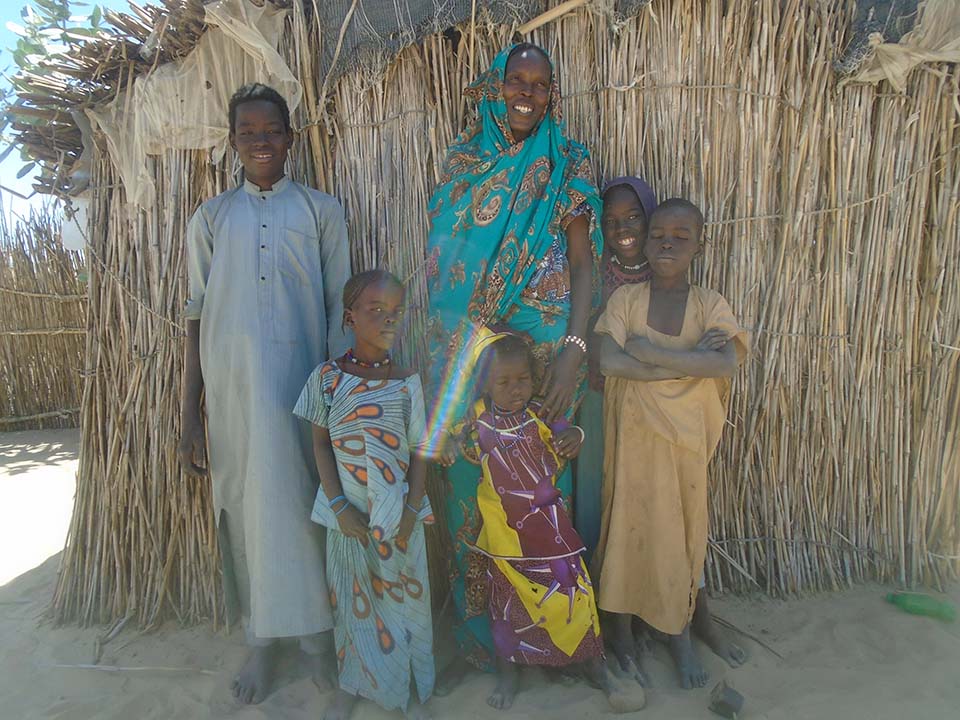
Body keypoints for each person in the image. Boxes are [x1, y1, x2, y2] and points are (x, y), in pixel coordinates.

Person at [424, 42, 603, 688]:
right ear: (495, 89)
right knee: (474, 499)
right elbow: (447, 265)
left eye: (539, 83)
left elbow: (584, 266)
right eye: (515, 81)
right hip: (474, 366)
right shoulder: (465, 161)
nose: (526, 92)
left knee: (542, 507)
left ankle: (557, 640)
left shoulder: (567, 161)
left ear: (552, 94)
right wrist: (474, 344)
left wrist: (573, 351)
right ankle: (486, 643)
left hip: (548, 368)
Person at [178, 83, 350, 704]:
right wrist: (189, 415)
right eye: (247, 131)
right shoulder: (212, 218)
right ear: (232, 142)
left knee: (306, 507)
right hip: (232, 394)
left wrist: (338, 397)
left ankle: (316, 641)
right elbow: (195, 316)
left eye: (270, 129)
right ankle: (261, 639)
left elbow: (338, 310)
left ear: (290, 138)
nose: (259, 140)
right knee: (247, 510)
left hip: (304, 391)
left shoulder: (322, 212)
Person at [441, 332, 645, 713]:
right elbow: (450, 438)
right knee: (506, 608)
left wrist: (574, 436)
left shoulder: (539, 412)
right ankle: (508, 675)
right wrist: (451, 446)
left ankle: (596, 668)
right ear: (485, 383)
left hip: (551, 532)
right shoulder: (478, 415)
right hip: (505, 538)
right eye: (503, 382)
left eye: (522, 380)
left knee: (576, 597)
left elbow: (570, 431)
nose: (515, 389)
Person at [594, 198, 749, 689]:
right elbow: (608, 362)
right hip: (634, 449)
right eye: (658, 232)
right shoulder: (626, 302)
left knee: (681, 537)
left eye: (681, 236)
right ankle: (619, 629)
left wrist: (649, 354)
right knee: (624, 531)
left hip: (685, 451)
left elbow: (724, 364)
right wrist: (683, 363)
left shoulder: (710, 304)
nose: (666, 242)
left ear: (700, 245)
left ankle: (678, 630)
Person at [294, 270, 434, 720]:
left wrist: (412, 508)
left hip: (399, 515)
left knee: (402, 597)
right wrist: (337, 506)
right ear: (350, 317)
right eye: (376, 311)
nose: (388, 320)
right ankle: (353, 684)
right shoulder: (327, 379)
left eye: (395, 313)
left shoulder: (408, 380)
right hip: (348, 515)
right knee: (353, 601)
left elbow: (419, 450)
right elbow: (319, 443)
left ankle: (397, 688)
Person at [575, 176, 657, 564]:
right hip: (596, 398)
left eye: (633, 217)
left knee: (642, 494)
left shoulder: (667, 277)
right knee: (594, 493)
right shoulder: (591, 276)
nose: (622, 229)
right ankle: (597, 599)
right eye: (610, 220)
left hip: (649, 406)